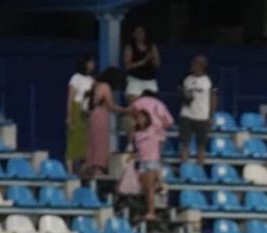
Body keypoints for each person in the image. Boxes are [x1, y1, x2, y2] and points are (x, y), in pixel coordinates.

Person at [131, 93, 174, 223]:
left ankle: (151, 212)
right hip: (142, 162)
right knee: (144, 189)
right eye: (138, 118)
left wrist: (155, 108)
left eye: (142, 118)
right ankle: (148, 208)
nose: (140, 120)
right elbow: (139, 150)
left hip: (152, 162)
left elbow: (166, 122)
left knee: (149, 188)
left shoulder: (154, 131)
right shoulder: (137, 133)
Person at [83, 67, 127, 181]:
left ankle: (89, 167)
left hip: (92, 116)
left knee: (92, 143)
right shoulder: (105, 86)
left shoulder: (96, 85)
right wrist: (126, 110)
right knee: (100, 143)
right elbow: (111, 106)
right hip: (101, 116)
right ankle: (98, 168)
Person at [178, 55, 215, 165]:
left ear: (201, 66)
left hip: (202, 116)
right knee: (185, 143)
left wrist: (210, 116)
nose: (192, 65)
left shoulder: (209, 79)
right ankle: (184, 169)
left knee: (201, 146)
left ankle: (199, 171)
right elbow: (179, 89)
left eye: (195, 63)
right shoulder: (186, 78)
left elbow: (213, 98)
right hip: (186, 115)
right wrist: (184, 95)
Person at [66, 54, 96, 173]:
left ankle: (83, 171)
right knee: (73, 143)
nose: (93, 65)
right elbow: (70, 98)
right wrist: (69, 116)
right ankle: (70, 171)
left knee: (85, 143)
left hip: (87, 111)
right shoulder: (76, 78)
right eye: (91, 62)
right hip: (76, 108)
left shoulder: (92, 80)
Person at [122, 25, 160, 103]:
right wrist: (142, 62)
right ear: (133, 34)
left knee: (151, 106)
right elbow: (127, 66)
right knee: (134, 107)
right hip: (134, 80)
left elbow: (157, 64)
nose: (140, 34)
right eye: (137, 32)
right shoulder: (129, 47)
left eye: (142, 32)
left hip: (150, 80)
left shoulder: (152, 46)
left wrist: (153, 58)